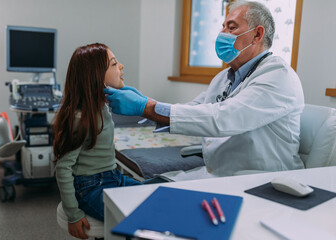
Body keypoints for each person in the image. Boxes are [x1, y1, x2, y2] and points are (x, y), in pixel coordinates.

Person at [104, 0, 305, 179]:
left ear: (257, 34)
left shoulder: (278, 76)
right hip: (218, 174)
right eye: (223, 26)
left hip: (262, 180)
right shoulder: (225, 77)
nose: (222, 33)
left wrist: (146, 107)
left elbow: (222, 118)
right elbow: (194, 109)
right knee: (149, 189)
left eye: (231, 27)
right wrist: (148, 104)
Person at [53, 43, 142, 239]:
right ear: (94, 76)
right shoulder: (79, 119)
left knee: (152, 195)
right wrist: (73, 214)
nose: (121, 66)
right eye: (114, 64)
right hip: (89, 188)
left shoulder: (102, 105)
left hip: (113, 177)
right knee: (137, 220)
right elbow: (63, 168)